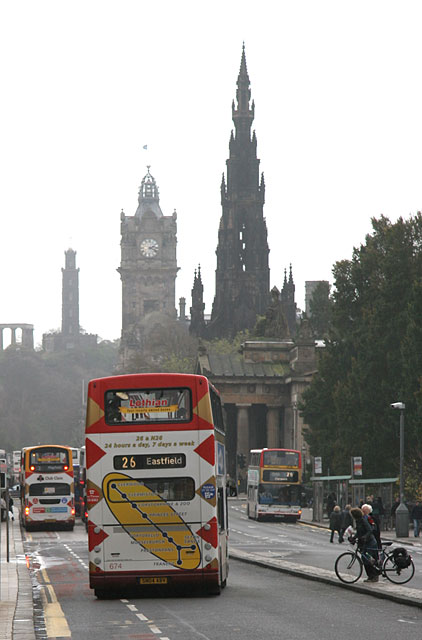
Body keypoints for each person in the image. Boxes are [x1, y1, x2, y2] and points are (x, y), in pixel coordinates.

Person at [350, 507, 379, 582]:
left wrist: (365, 537)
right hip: (365, 542)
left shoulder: (363, 520)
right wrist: (354, 537)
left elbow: (369, 530)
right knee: (365, 559)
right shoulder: (358, 521)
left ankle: (374, 576)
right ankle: (370, 576)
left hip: (370, 542)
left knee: (368, 559)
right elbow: (359, 532)